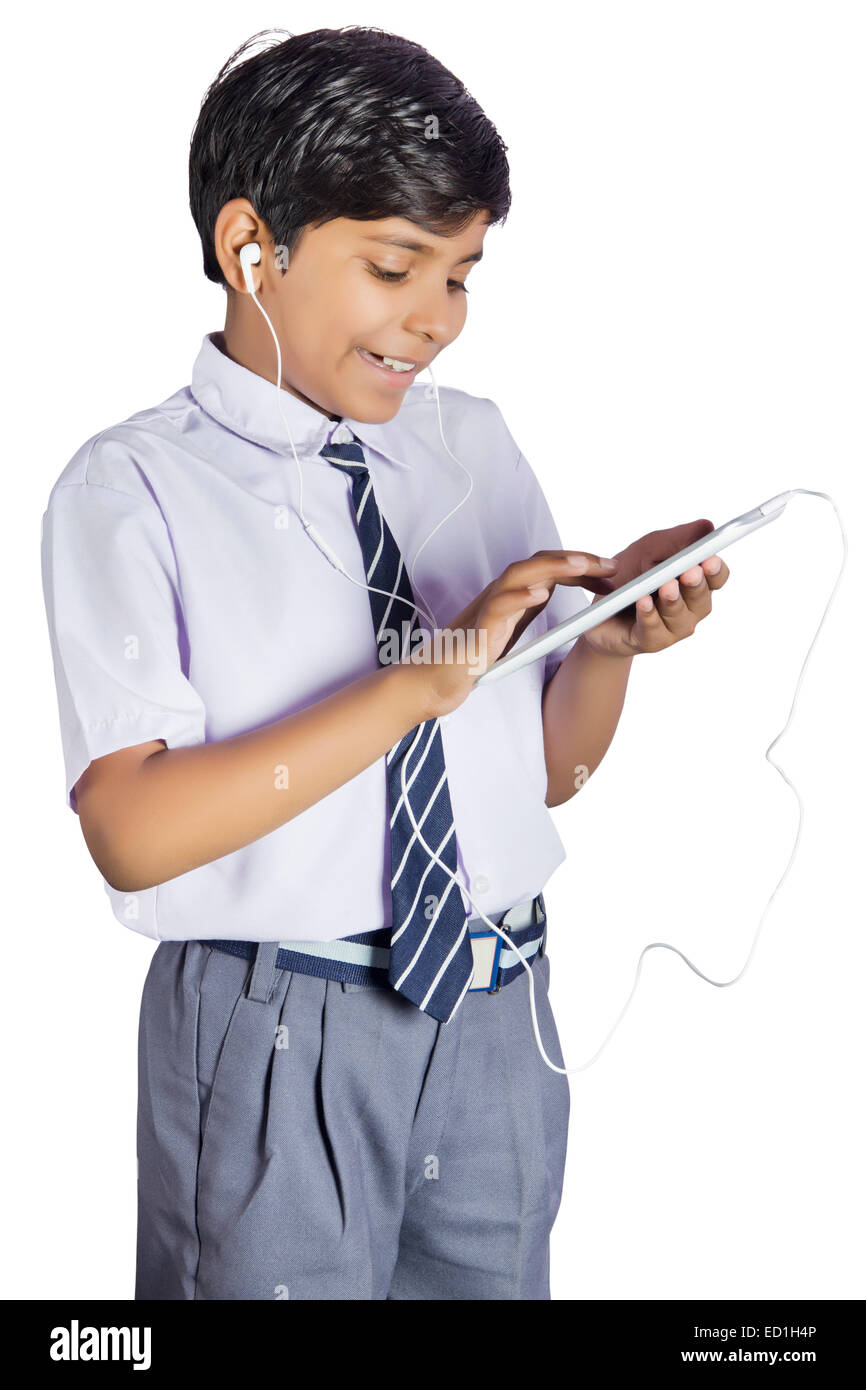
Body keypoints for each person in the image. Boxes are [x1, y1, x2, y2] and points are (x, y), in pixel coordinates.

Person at [40, 25, 728, 1301]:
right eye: (397, 266)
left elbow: (541, 777)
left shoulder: (468, 445)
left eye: (461, 277)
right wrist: (425, 677)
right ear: (253, 249)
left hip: (496, 1011)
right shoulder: (133, 488)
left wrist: (609, 646)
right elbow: (133, 831)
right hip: (276, 1028)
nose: (433, 323)